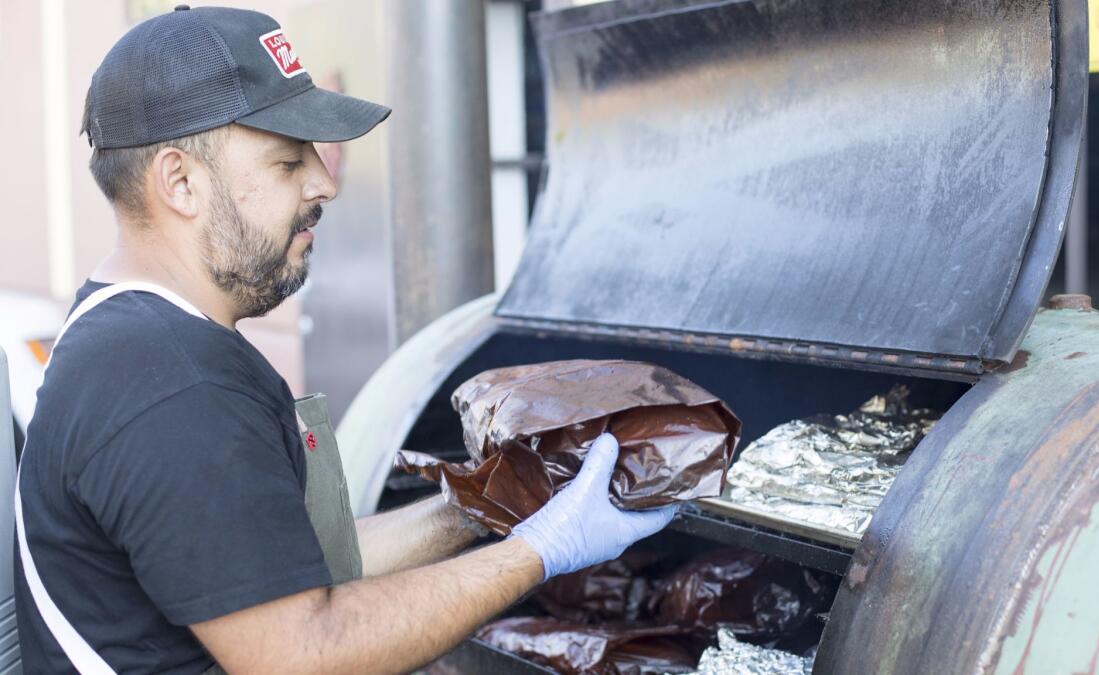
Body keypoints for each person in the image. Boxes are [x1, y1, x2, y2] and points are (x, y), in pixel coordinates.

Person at [14, 6, 677, 674]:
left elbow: (291, 562)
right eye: (286, 161)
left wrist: (480, 506)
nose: (324, 182)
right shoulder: (171, 382)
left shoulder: (137, 337)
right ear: (181, 181)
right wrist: (539, 550)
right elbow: (305, 651)